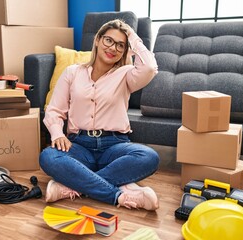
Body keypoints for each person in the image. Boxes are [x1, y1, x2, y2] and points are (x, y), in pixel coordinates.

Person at [39, 19, 160, 210]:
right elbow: (54, 110)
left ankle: (71, 185)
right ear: (97, 40)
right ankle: (119, 194)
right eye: (109, 40)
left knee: (149, 157)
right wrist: (58, 134)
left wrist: (132, 36)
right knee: (48, 156)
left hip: (115, 146)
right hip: (79, 145)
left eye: (120, 45)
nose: (113, 48)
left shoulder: (126, 74)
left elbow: (150, 68)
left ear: (125, 50)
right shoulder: (72, 72)